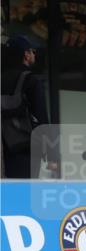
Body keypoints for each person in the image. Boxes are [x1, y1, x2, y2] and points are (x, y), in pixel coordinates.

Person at [1, 35, 58, 178]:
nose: (34, 54)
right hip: (26, 148)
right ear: (26, 55)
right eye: (32, 51)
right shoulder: (30, 80)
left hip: (3, 148)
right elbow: (42, 118)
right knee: (25, 194)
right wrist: (52, 155)